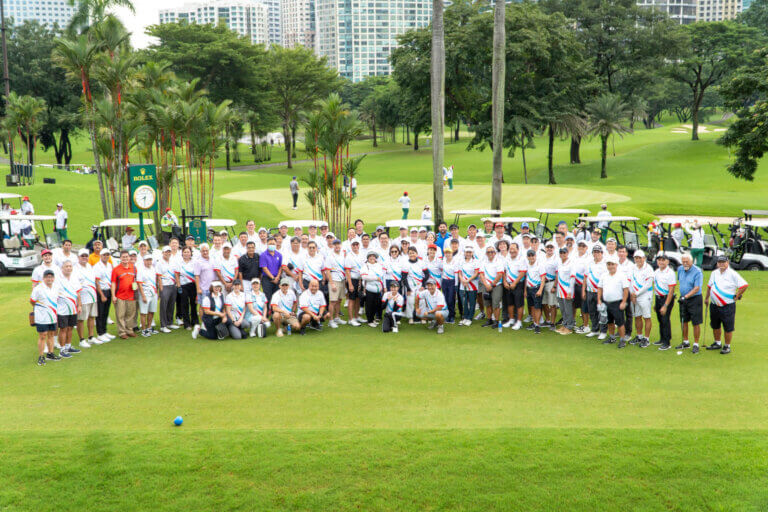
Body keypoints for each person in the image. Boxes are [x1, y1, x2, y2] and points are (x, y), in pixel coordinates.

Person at [705, 256, 748, 354]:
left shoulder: (732, 274)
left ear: (727, 263)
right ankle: (717, 343)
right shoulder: (714, 273)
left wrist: (737, 296)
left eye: (723, 262)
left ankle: (727, 346)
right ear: (717, 263)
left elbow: (744, 285)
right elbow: (709, 286)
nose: (721, 264)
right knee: (715, 325)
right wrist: (707, 298)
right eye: (719, 262)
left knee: (728, 327)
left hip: (727, 305)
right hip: (714, 304)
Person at [597, 255, 629, 347]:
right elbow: (600, 288)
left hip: (617, 303)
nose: (610, 266)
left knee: (620, 323)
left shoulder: (621, 275)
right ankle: (612, 337)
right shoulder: (604, 275)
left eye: (612, 264)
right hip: (606, 302)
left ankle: (622, 340)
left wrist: (623, 302)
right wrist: (599, 300)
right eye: (609, 264)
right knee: (609, 322)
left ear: (616, 265)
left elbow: (626, 290)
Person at [30, 270, 60, 365]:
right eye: (47, 277)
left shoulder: (56, 287)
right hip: (42, 317)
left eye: (51, 277)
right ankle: (41, 356)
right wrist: (40, 308)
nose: (49, 279)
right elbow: (32, 301)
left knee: (51, 335)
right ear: (43, 278)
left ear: (53, 278)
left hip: (52, 316)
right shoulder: (38, 288)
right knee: (42, 336)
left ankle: (50, 353)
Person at [676, 253, 704, 353]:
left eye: (687, 261)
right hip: (683, 298)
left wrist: (686, 296)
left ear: (692, 261)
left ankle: (696, 344)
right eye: (683, 261)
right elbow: (680, 282)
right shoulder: (680, 269)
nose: (685, 263)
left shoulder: (697, 271)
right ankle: (686, 341)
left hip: (694, 299)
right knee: (684, 320)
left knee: (695, 322)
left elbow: (697, 288)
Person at [56, 260, 82, 357]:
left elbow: (78, 293)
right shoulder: (58, 279)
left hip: (73, 308)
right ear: (62, 268)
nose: (68, 268)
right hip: (62, 309)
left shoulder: (74, 278)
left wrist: (79, 305)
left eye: (70, 266)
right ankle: (62, 350)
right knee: (63, 329)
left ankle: (68, 346)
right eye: (66, 266)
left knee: (70, 328)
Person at [629, 250, 654, 348]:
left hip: (645, 296)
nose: (638, 260)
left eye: (640, 258)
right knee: (637, 316)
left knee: (646, 317)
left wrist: (636, 294)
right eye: (636, 258)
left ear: (644, 258)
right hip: (635, 296)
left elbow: (648, 285)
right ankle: (639, 336)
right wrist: (632, 294)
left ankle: (646, 339)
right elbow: (630, 281)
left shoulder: (649, 269)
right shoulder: (632, 268)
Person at [111, 250, 138, 339]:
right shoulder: (116, 269)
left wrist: (136, 286)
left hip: (131, 295)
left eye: (127, 257)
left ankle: (129, 330)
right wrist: (113, 296)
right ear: (120, 258)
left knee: (130, 314)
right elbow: (113, 283)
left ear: (129, 258)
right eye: (123, 257)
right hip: (120, 296)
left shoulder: (133, 268)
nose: (125, 259)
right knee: (120, 315)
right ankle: (122, 332)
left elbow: (135, 280)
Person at [75, 248, 99, 347]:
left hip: (92, 296)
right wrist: (79, 302)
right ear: (79, 257)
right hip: (83, 298)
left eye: (86, 256)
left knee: (91, 317)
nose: (84, 258)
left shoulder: (90, 266)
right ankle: (81, 340)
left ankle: (91, 337)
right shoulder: (75, 269)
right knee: (81, 319)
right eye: (82, 256)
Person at [652, 254, 677, 351]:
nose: (661, 262)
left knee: (665, 319)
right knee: (660, 319)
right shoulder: (656, 272)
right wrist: (656, 303)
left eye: (663, 260)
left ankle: (667, 342)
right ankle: (662, 339)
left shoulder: (670, 273)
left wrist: (665, 305)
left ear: (667, 262)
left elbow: (671, 290)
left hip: (666, 298)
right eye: (659, 260)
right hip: (658, 298)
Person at [584, 246, 607, 339]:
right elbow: (585, 277)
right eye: (595, 252)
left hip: (600, 292)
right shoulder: (589, 263)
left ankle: (603, 331)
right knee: (592, 311)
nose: (596, 253)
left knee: (602, 312)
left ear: (602, 253)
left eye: (598, 252)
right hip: (590, 291)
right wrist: (584, 290)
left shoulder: (605, 264)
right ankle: (595, 330)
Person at [324, 239, 347, 327]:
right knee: (333, 301)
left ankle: (337, 318)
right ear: (333, 246)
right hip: (334, 280)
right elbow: (328, 271)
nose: (337, 246)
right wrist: (332, 283)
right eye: (335, 245)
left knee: (339, 300)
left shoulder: (342, 254)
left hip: (342, 280)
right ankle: (331, 321)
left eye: (338, 244)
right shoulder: (330, 256)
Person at [502, 243, 526, 330]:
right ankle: (511, 320)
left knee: (519, 304)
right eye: (510, 249)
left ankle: (519, 322)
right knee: (510, 303)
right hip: (508, 284)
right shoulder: (507, 259)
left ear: (518, 249)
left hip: (518, 284)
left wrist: (515, 283)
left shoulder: (521, 259)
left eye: (514, 248)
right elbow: (504, 271)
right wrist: (504, 281)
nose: (512, 250)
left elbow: (522, 272)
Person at [93, 248, 114, 342]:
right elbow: (96, 282)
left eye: (107, 255)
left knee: (106, 312)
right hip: (101, 291)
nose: (106, 256)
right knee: (100, 313)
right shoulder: (97, 266)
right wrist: (101, 295)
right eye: (104, 255)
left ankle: (105, 331)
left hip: (109, 290)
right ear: (101, 256)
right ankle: (100, 333)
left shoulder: (110, 265)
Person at [479, 245, 503, 327]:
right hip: (486, 285)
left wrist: (492, 285)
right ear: (486, 253)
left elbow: (500, 274)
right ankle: (489, 320)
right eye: (488, 252)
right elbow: (481, 274)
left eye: (492, 252)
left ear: (495, 253)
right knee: (487, 303)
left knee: (495, 303)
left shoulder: (499, 261)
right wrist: (486, 285)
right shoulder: (483, 262)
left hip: (496, 285)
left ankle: (496, 321)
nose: (490, 253)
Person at [175, 247, 198, 330]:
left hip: (193, 285)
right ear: (182, 253)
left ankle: (194, 321)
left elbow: (196, 275)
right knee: (184, 304)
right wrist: (178, 286)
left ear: (191, 253)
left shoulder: (194, 262)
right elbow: (177, 274)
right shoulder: (179, 263)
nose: (186, 254)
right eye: (185, 252)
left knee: (193, 304)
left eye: (188, 252)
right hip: (183, 285)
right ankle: (187, 323)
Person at [136, 253, 160, 337]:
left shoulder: (153, 269)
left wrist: (156, 292)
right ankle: (143, 330)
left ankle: (149, 328)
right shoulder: (141, 270)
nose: (149, 262)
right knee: (143, 312)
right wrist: (142, 295)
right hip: (145, 294)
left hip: (153, 293)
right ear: (144, 261)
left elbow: (155, 281)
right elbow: (139, 284)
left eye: (150, 260)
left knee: (152, 311)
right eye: (147, 260)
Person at [156, 246, 178, 333]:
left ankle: (169, 322)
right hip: (164, 286)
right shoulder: (159, 263)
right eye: (166, 252)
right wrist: (161, 288)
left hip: (172, 285)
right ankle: (163, 325)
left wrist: (176, 284)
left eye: (169, 252)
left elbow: (175, 273)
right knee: (164, 306)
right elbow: (159, 276)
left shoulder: (173, 262)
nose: (168, 253)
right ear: (163, 253)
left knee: (171, 305)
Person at [361, 251, 386, 327]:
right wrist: (375, 278)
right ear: (368, 258)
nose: (372, 258)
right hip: (369, 289)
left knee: (376, 305)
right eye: (370, 256)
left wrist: (384, 287)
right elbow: (364, 277)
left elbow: (383, 277)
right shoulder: (365, 266)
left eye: (373, 256)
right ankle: (370, 320)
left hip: (378, 289)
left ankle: (373, 319)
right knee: (369, 305)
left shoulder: (379, 266)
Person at [525, 249, 547, 335]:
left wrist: (540, 290)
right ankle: (534, 323)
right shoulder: (527, 265)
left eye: (532, 255)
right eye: (529, 256)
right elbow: (526, 278)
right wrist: (525, 291)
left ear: (535, 256)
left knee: (537, 307)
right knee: (532, 307)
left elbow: (543, 278)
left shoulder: (539, 265)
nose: (531, 257)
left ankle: (537, 325)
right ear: (527, 257)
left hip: (536, 288)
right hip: (529, 288)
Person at [555, 248, 575, 335]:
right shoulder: (559, 263)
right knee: (563, 309)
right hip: (560, 290)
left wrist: (570, 291)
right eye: (561, 253)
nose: (563, 254)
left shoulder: (571, 263)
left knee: (568, 309)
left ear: (567, 253)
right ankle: (565, 324)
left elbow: (572, 277)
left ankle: (569, 327)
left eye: (564, 253)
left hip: (567, 290)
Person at [457, 246, 479, 326]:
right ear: (464, 253)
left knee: (472, 302)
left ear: (472, 253)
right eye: (467, 252)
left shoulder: (475, 261)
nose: (468, 254)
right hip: (463, 285)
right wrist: (462, 280)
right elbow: (459, 273)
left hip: (472, 285)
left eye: (470, 252)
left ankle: (470, 318)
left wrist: (468, 280)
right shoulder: (461, 261)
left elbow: (476, 273)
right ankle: (465, 317)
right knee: (464, 302)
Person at [344, 239, 364, 326]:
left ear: (359, 245)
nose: (355, 246)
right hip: (352, 279)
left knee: (358, 299)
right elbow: (347, 271)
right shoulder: (349, 256)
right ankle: (351, 319)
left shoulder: (362, 255)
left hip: (360, 280)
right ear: (351, 246)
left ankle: (356, 317)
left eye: (357, 244)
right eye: (353, 245)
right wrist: (350, 284)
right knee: (351, 299)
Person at [260, 237, 283, 302]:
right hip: (267, 279)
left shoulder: (279, 255)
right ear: (267, 244)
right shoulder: (263, 255)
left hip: (277, 278)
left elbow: (280, 267)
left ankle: (275, 311)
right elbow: (264, 268)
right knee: (268, 297)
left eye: (273, 244)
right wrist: (273, 278)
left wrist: (277, 277)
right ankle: (268, 311)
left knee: (277, 297)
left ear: (276, 244)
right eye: (270, 244)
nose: (272, 245)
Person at [441, 247, 458, 324]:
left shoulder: (454, 262)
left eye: (449, 253)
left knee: (451, 300)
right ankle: (447, 316)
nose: (448, 254)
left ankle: (452, 316)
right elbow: (442, 273)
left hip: (452, 282)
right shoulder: (443, 262)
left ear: (452, 254)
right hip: (444, 282)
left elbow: (456, 274)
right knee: (445, 299)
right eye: (446, 253)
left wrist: (456, 285)